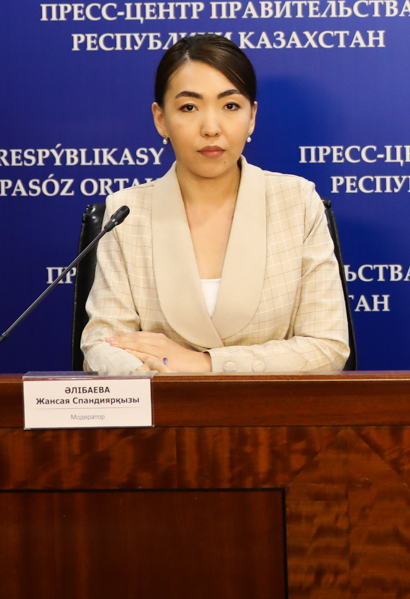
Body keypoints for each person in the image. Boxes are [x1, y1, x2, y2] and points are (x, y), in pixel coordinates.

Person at [82, 35, 350, 374]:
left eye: (230, 106)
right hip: (160, 405)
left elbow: (328, 348)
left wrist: (204, 364)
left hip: (271, 408)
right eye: (189, 107)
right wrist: (156, 377)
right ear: (161, 118)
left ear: (252, 117)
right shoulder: (127, 212)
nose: (211, 128)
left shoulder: (296, 202)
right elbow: (103, 344)